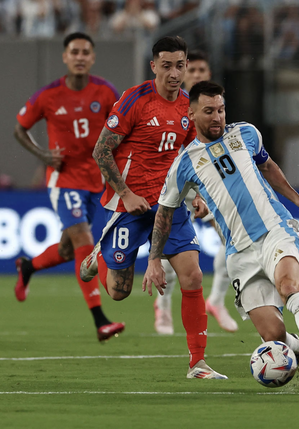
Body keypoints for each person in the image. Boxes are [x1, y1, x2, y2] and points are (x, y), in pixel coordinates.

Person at [143, 81, 299, 382]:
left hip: (275, 228)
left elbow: (268, 166)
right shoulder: (183, 165)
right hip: (239, 251)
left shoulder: (246, 132)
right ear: (191, 113)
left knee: (289, 285)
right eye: (208, 111)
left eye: (221, 109)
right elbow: (164, 214)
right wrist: (154, 259)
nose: (217, 117)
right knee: (272, 334)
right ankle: (298, 351)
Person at [81, 36, 225, 380]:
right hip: (127, 205)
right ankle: (97, 257)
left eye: (180, 65)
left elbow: (193, 158)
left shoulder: (189, 107)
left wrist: (197, 195)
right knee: (118, 292)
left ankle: (198, 363)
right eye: (167, 66)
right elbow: (101, 151)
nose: (175, 73)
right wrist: (126, 193)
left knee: (192, 275)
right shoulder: (135, 100)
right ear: (154, 67)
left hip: (168, 205)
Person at [13, 32, 124, 342]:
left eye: (85, 52)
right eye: (74, 51)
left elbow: (120, 129)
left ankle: (29, 266)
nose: (79, 56)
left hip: (95, 179)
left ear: (92, 57)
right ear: (65, 57)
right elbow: (19, 129)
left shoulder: (104, 92)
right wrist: (43, 154)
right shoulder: (48, 95)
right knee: (83, 238)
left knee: (68, 247)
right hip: (63, 180)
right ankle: (100, 320)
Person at [153, 49, 238, 335]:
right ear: (183, 73)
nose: (199, 75)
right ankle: (163, 309)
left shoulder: (211, 107)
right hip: (174, 182)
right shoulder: (172, 104)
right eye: (194, 71)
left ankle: (216, 300)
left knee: (231, 234)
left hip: (204, 184)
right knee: (171, 248)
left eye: (204, 71)